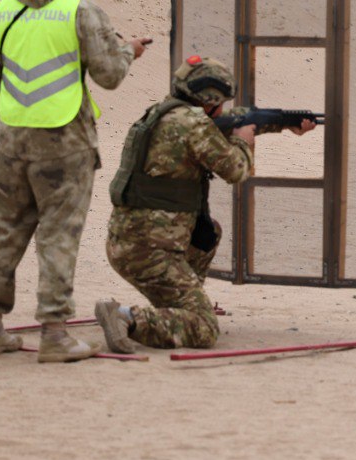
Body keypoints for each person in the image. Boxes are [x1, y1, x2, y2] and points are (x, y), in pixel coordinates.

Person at [0, 0, 152, 363]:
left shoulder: (5, 7)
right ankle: (54, 334)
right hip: (64, 140)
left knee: (2, 231)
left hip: (13, 139)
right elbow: (109, 75)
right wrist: (128, 50)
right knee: (58, 236)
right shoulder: (80, 10)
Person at [96, 56, 316, 352]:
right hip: (151, 252)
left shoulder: (164, 114)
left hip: (131, 243)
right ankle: (126, 318)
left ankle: (181, 303)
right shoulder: (194, 126)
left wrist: (278, 123)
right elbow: (236, 170)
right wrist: (243, 140)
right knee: (204, 328)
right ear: (208, 101)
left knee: (207, 233)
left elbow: (229, 121)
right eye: (220, 102)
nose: (224, 108)